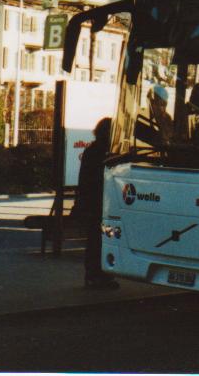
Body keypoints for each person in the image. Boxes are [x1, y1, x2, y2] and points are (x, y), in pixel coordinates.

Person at [76, 117, 118, 289]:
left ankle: (95, 275)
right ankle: (99, 275)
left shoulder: (92, 149)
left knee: (96, 239)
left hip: (93, 201)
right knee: (101, 239)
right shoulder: (104, 151)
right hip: (101, 202)